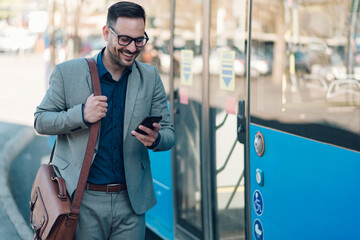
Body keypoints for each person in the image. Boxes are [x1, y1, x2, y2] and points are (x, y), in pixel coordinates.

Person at [34, 1, 175, 239]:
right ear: (106, 33)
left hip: (131, 203)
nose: (132, 48)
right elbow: (41, 121)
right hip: (83, 200)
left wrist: (156, 139)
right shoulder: (67, 73)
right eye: (125, 39)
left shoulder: (150, 77)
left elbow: (170, 134)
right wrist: (81, 114)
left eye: (139, 40)